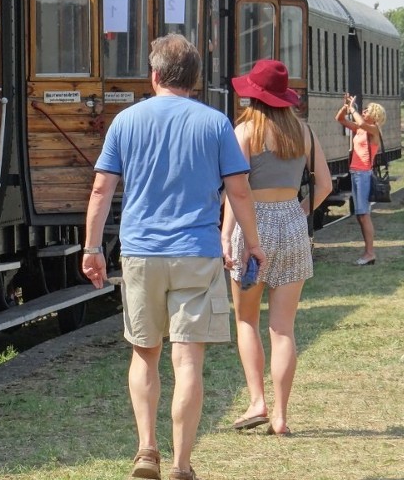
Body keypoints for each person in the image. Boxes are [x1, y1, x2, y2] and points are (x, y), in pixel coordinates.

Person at [82, 34, 265, 480]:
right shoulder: (215, 124)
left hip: (142, 252)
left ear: (155, 75)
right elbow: (238, 190)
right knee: (188, 362)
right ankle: (182, 464)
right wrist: (253, 241)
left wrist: (91, 248)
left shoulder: (125, 122)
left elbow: (102, 189)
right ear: (195, 80)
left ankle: (147, 450)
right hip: (197, 254)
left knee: (145, 353)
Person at [221, 59, 332, 438]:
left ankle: (257, 402)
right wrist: (298, 211)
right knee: (283, 328)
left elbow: (235, 192)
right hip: (291, 224)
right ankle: (281, 417)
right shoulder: (304, 132)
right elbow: (325, 186)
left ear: (253, 94)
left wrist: (225, 236)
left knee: (246, 320)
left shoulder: (245, 132)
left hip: (252, 225)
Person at [335, 94, 387, 265]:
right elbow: (340, 119)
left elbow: (362, 122)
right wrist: (346, 106)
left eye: (368, 110)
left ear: (375, 116)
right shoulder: (361, 129)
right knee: (359, 215)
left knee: (364, 214)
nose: (364, 111)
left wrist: (354, 109)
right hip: (356, 174)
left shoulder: (373, 130)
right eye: (363, 109)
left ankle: (370, 253)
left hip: (363, 175)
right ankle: (368, 252)